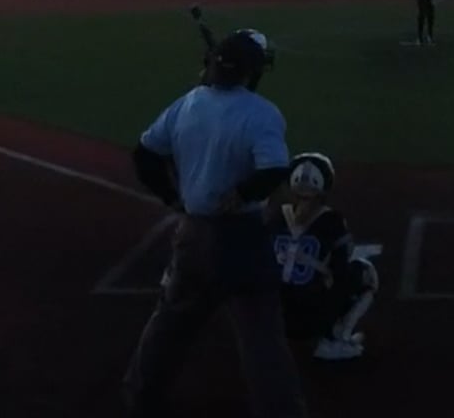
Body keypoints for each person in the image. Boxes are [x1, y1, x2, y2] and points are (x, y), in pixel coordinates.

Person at [123, 27, 306, 418]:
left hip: (192, 235)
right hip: (243, 238)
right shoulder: (262, 113)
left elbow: (145, 155)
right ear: (252, 71)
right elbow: (274, 169)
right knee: (262, 336)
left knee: (171, 320)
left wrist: (171, 196)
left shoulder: (187, 104)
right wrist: (242, 193)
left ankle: (140, 398)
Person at [272, 152, 378, 361]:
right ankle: (333, 339)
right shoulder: (332, 220)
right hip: (309, 320)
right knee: (365, 273)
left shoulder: (274, 216)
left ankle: (263, 338)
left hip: (271, 316)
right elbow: (340, 270)